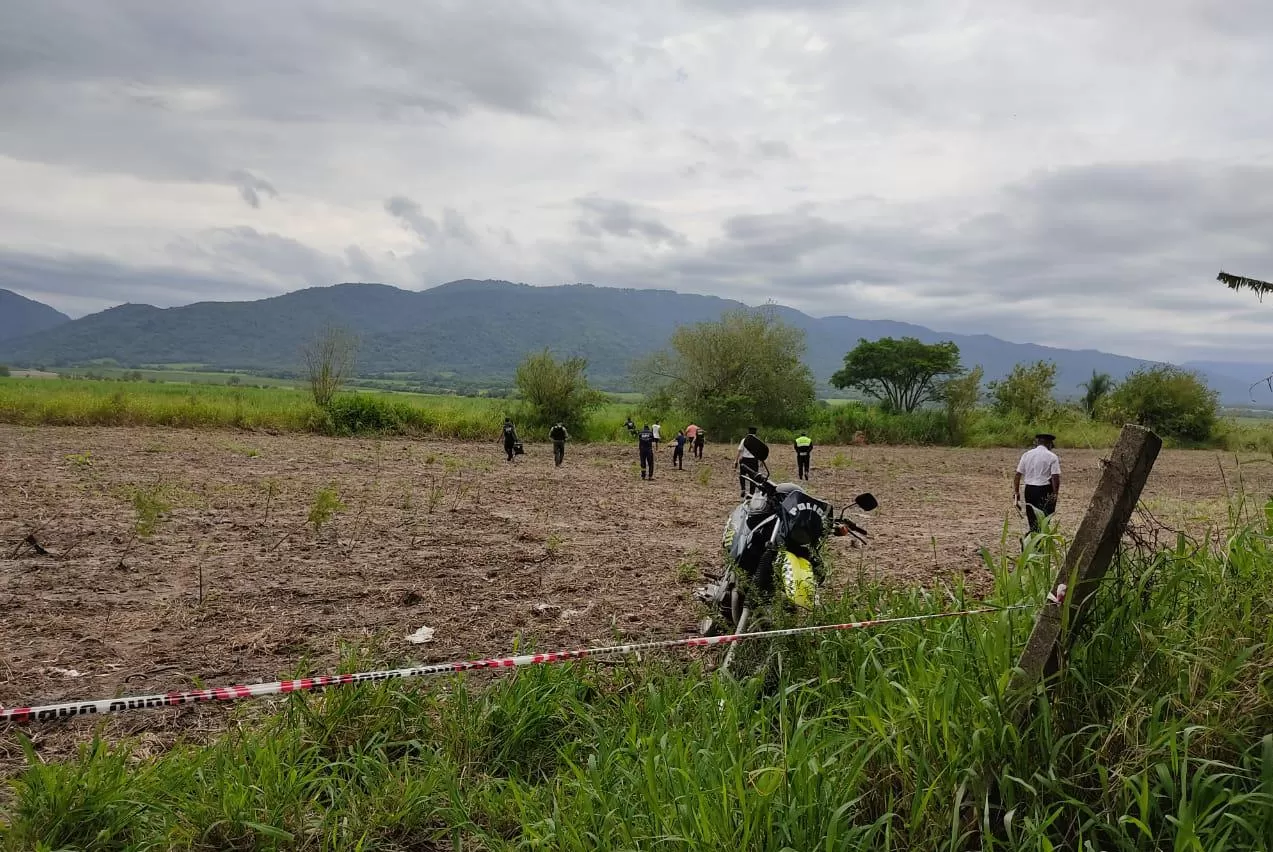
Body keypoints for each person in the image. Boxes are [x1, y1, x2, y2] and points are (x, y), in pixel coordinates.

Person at [1014, 433, 1061, 534]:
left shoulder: (1027, 454)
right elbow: (1055, 477)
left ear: (1037, 442)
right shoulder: (1052, 457)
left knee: (1032, 518)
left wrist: (1016, 492)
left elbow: (1018, 475)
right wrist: (1055, 494)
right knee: (1044, 519)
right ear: (1049, 444)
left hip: (1029, 490)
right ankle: (1039, 542)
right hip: (1044, 490)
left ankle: (1031, 539)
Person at [734, 426, 760, 499]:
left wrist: (736, 460)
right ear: (755, 432)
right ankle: (751, 493)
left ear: (748, 432)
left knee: (742, 475)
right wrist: (761, 461)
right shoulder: (758, 441)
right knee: (753, 477)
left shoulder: (744, 440)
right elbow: (759, 452)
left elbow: (739, 450)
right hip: (754, 460)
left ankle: (743, 489)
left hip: (745, 460)